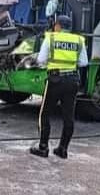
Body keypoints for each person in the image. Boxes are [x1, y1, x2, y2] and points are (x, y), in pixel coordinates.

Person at [30, 14, 88, 159]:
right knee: (68, 116)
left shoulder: (51, 38)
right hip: (73, 80)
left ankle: (43, 147)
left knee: (45, 114)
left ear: (58, 26)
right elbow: (84, 63)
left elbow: (41, 60)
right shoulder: (79, 40)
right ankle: (63, 149)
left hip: (55, 80)